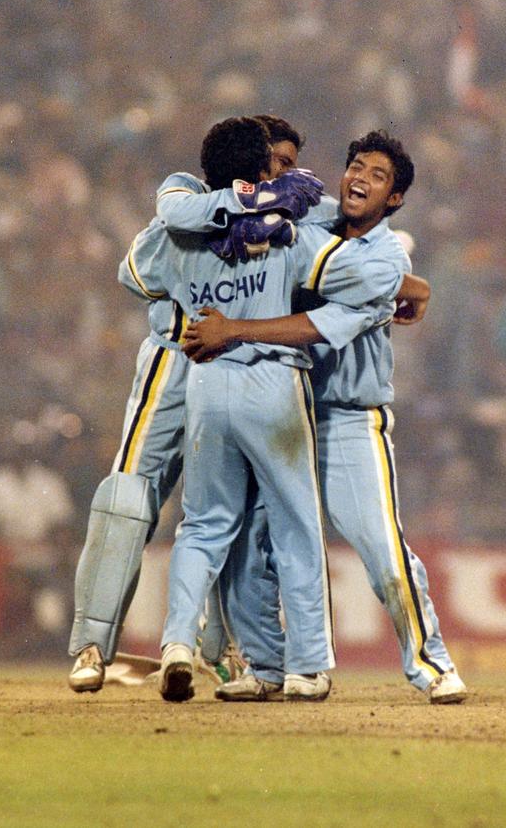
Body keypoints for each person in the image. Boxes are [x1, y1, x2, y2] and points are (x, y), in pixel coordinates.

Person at [181, 130, 468, 704]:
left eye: (378, 175)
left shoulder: (385, 259)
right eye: (355, 165)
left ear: (395, 200)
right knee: (248, 544)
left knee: (381, 548)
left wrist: (232, 330)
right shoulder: (311, 217)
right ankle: (265, 666)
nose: (361, 177)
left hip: (347, 418)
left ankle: (432, 665)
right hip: (281, 405)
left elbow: (313, 325)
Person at [121, 116, 398, 702]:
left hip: (204, 383)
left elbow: (132, 275)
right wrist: (403, 283)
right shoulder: (291, 230)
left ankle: (176, 642)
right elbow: (356, 276)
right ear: (265, 167)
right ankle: (307, 667)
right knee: (297, 528)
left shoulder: (181, 233)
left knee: (203, 526)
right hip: (272, 382)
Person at [66, 116, 320, 692]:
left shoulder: (293, 220)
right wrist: (229, 219)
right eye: (272, 162)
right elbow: (134, 273)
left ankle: (222, 647)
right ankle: (91, 643)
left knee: (229, 516)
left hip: (248, 360)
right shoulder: (188, 196)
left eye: (287, 165)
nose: (280, 173)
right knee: (130, 494)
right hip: (174, 358)